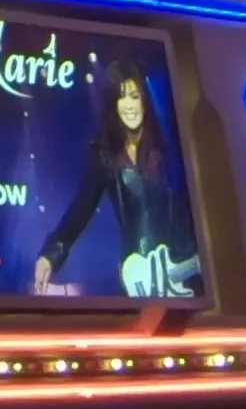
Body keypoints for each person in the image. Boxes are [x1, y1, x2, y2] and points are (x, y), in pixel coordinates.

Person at [31, 61, 198, 300]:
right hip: (138, 274)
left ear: (145, 101)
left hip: (183, 268)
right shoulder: (105, 154)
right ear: (113, 105)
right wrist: (52, 253)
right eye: (122, 98)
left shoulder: (168, 147)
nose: (130, 106)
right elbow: (82, 206)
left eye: (134, 96)